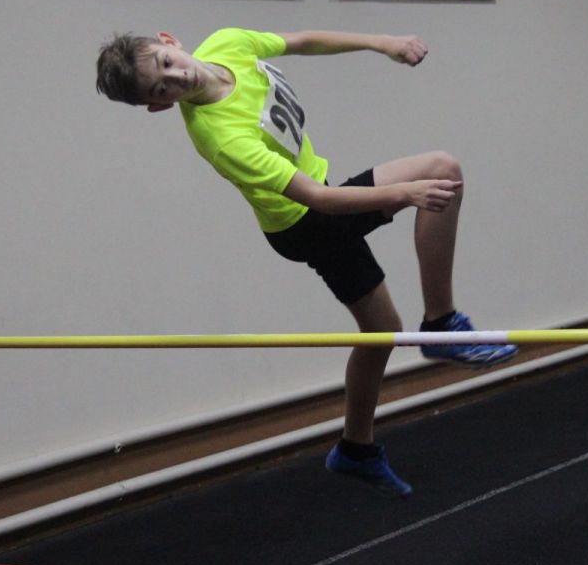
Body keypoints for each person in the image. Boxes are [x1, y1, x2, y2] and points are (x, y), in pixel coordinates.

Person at [95, 28, 516, 497]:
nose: (177, 78)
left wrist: (382, 43)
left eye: (166, 63)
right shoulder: (222, 138)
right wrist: (406, 194)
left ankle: (356, 449)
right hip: (308, 223)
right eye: (162, 89)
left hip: (321, 202)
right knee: (441, 171)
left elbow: (303, 40)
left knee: (381, 331)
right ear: (159, 107)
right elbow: (318, 199)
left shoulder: (227, 43)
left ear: (169, 41)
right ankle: (441, 324)